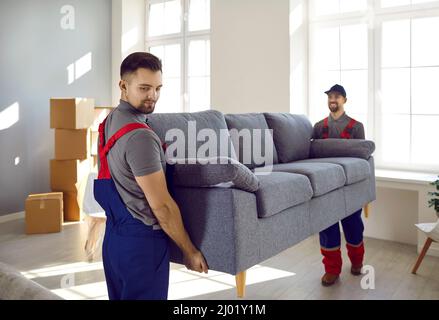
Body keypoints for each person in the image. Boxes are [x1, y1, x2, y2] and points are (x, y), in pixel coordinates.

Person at [94, 52, 208, 300]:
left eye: (158, 88)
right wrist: (189, 251)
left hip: (114, 243)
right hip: (142, 246)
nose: (153, 96)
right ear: (123, 86)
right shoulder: (140, 137)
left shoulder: (109, 122)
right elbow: (163, 207)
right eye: (144, 88)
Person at [312, 84, 366, 287]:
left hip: (349, 187)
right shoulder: (318, 127)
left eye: (336, 96)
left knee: (353, 225)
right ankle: (332, 270)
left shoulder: (356, 127)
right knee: (327, 229)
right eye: (329, 96)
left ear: (344, 100)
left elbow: (362, 160)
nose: (332, 99)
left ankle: (357, 261)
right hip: (325, 187)